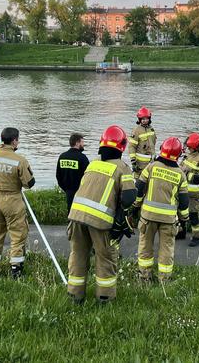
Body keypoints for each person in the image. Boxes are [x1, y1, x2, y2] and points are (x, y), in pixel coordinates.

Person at [66, 125, 137, 303]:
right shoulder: (123, 168)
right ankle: (104, 298)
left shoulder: (93, 164)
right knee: (106, 258)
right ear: (122, 146)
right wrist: (122, 214)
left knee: (78, 255)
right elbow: (129, 197)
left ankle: (75, 295)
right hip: (100, 221)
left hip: (76, 216)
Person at [134, 137, 189, 282]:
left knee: (145, 246)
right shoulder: (180, 174)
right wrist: (184, 219)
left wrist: (136, 206)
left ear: (161, 150)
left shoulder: (151, 167)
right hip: (168, 220)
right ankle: (164, 279)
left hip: (148, 217)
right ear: (178, 155)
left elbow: (139, 188)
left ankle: (144, 277)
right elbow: (184, 201)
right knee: (167, 249)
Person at [0, 127, 35, 279]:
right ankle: (16, 269)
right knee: (17, 235)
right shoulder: (19, 160)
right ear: (14, 141)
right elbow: (29, 183)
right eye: (18, 139)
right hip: (12, 201)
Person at [178, 132, 199, 247]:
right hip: (182, 191)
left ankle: (197, 236)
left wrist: (185, 175)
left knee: (194, 215)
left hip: (193, 194)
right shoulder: (189, 156)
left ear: (195, 147)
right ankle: (181, 232)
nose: (188, 148)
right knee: (181, 213)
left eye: (190, 147)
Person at [56, 133, 90, 213]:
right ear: (77, 143)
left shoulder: (62, 156)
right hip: (80, 192)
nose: (83, 144)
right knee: (79, 215)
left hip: (68, 191)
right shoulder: (82, 158)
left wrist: (66, 189)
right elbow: (88, 176)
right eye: (82, 142)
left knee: (70, 214)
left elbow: (58, 176)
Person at [128, 106, 156, 178]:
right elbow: (131, 146)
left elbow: (153, 144)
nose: (144, 120)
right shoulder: (136, 130)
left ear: (149, 119)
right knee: (138, 182)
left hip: (151, 162)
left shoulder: (151, 129)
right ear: (139, 119)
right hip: (140, 164)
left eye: (146, 118)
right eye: (142, 119)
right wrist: (133, 162)